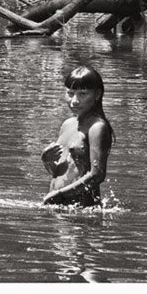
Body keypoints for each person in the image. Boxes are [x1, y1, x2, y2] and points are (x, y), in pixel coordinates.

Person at [41, 64, 114, 207]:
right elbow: (61, 171)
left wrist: (59, 195)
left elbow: (97, 174)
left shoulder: (97, 127)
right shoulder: (67, 124)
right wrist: (47, 161)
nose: (75, 100)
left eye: (83, 94)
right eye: (70, 93)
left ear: (97, 95)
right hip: (59, 207)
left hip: (83, 210)